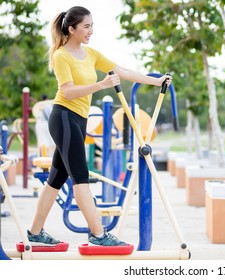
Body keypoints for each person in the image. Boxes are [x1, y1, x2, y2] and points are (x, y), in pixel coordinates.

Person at [27, 6, 172, 247]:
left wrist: (155, 81)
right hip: (64, 116)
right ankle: (98, 234)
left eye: (92, 25)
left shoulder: (91, 53)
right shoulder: (61, 55)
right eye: (86, 26)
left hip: (78, 120)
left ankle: (34, 232)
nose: (91, 30)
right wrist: (101, 85)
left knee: (55, 179)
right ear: (71, 29)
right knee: (80, 178)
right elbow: (68, 91)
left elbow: (123, 71)